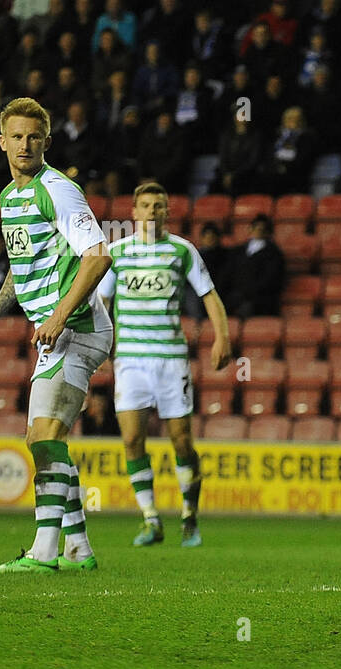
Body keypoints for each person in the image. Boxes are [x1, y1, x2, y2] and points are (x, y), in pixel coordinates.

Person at [0, 96, 114, 573]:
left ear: (47, 142)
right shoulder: (11, 199)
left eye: (35, 136)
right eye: (17, 136)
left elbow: (97, 255)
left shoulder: (59, 189)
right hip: (59, 330)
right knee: (47, 439)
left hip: (76, 327)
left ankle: (44, 552)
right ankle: (78, 550)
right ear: (2, 142)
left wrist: (56, 317)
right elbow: (22, 268)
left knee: (43, 435)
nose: (25, 144)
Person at [96, 182, 231, 548]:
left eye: (159, 205)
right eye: (145, 205)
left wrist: (222, 337)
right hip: (130, 360)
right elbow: (101, 305)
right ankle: (151, 519)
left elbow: (209, 294)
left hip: (171, 359)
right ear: (134, 212)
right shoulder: (117, 253)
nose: (152, 211)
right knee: (131, 439)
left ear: (167, 212)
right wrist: (95, 348)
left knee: (181, 441)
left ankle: (189, 516)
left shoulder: (181, 251)